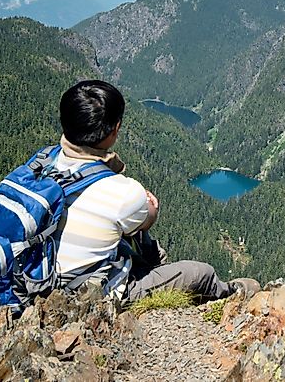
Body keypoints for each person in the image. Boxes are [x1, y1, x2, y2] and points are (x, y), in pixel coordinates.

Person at [54, 79, 258, 303]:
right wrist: (147, 207)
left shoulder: (39, 166)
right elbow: (147, 220)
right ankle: (232, 296)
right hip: (90, 295)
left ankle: (161, 275)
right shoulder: (122, 192)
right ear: (116, 129)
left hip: (35, 279)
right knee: (202, 273)